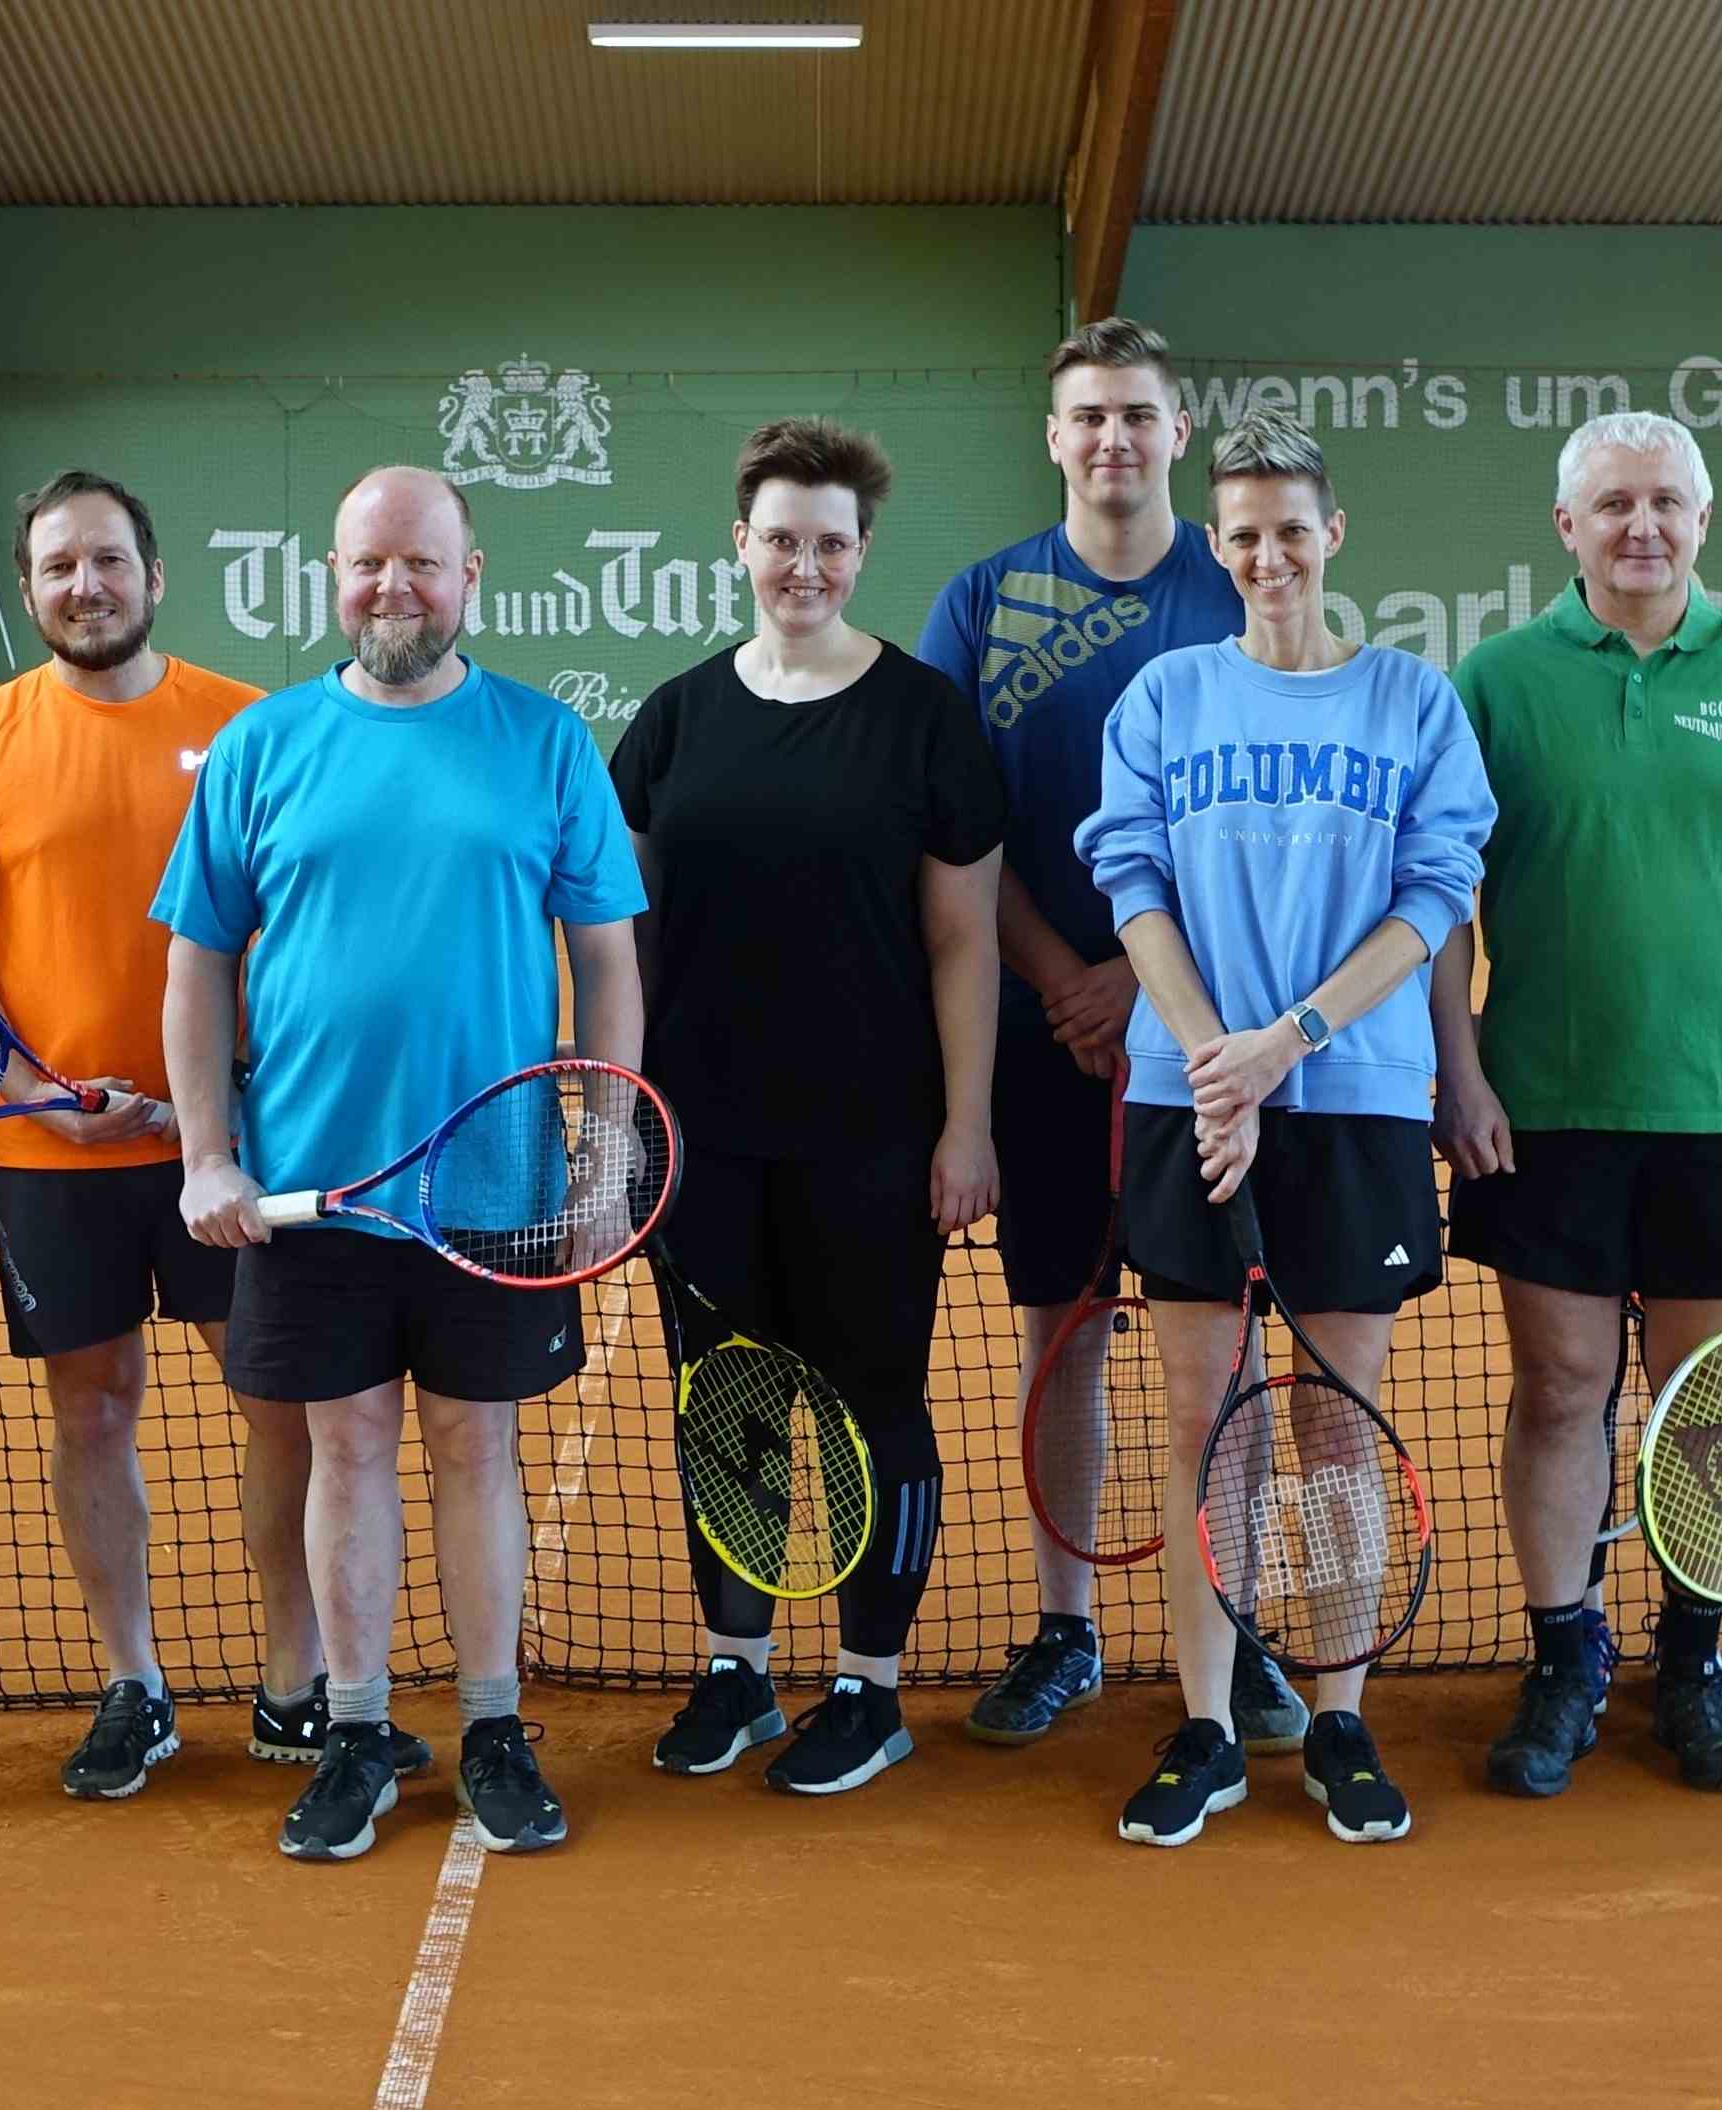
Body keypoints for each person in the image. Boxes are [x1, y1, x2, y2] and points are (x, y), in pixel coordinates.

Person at [0, 472, 435, 1802]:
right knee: (93, 1405)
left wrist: (221, 1104)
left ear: (154, 574)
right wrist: (27, 1088)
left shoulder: (244, 723)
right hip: (50, 1155)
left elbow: (293, 931)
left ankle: (290, 1688)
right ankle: (133, 1684)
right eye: (58, 568)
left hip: (236, 1149)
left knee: (285, 1408)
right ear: (29, 590)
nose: (85, 585)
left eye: (108, 560)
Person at [155, 465, 645, 1863]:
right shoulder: (263, 746)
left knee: (472, 1442)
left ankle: (493, 1723)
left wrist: (603, 1142)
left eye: (421, 565)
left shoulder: (546, 743)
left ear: (471, 575)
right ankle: (359, 1728)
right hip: (308, 1182)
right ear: (333, 573)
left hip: (492, 1182)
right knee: (345, 1444)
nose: (395, 589)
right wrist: (205, 1149)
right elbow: (197, 962)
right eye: (370, 563)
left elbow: (606, 960)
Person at [1435, 409, 1722, 1798]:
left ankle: (1693, 1655)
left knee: (1706, 1409)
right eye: (1614, 503)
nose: (1643, 525)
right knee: (1562, 1386)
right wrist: (1457, 1065)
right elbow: (1444, 893)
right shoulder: (1496, 681)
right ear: (1565, 527)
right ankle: (1565, 1652)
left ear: (1703, 520)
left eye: (1667, 503)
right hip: (1542, 1110)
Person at [1074, 410, 1495, 1846]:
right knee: (1205, 1418)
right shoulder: (1166, 698)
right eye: (1240, 532)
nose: (1266, 555)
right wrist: (1212, 1061)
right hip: (1188, 1096)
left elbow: (1433, 900)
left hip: (1356, 1101)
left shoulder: (1412, 704)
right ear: (1218, 542)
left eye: (1289, 529)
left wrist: (1285, 1046)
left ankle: (1338, 1717)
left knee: (1331, 1423)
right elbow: (1132, 886)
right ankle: (1204, 1719)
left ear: (1334, 533)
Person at [912, 318, 1297, 1753]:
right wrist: (1067, 978)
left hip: (1204, 1042)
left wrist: (1141, 987)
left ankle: (1238, 1622)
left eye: (1141, 413)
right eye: (1091, 416)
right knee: (1060, 1337)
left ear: (1177, 435)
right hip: (1037, 1032)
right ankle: (1066, 1625)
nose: (1115, 438)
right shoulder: (984, 596)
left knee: (1231, 1350)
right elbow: (961, 833)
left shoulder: (1242, 583)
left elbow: (1268, 822)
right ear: (1055, 436)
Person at [619, 418, 1007, 1795]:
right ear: (739, 544)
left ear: (862, 553)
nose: (803, 563)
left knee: (872, 1403)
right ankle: (737, 1666)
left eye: (830, 541)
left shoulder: (924, 717)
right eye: (780, 537)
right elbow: (626, 941)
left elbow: (966, 940)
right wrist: (624, 1116)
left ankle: (871, 1685)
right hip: (704, 1142)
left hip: (876, 1139)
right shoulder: (673, 719)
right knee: (727, 1403)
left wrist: (968, 1124)